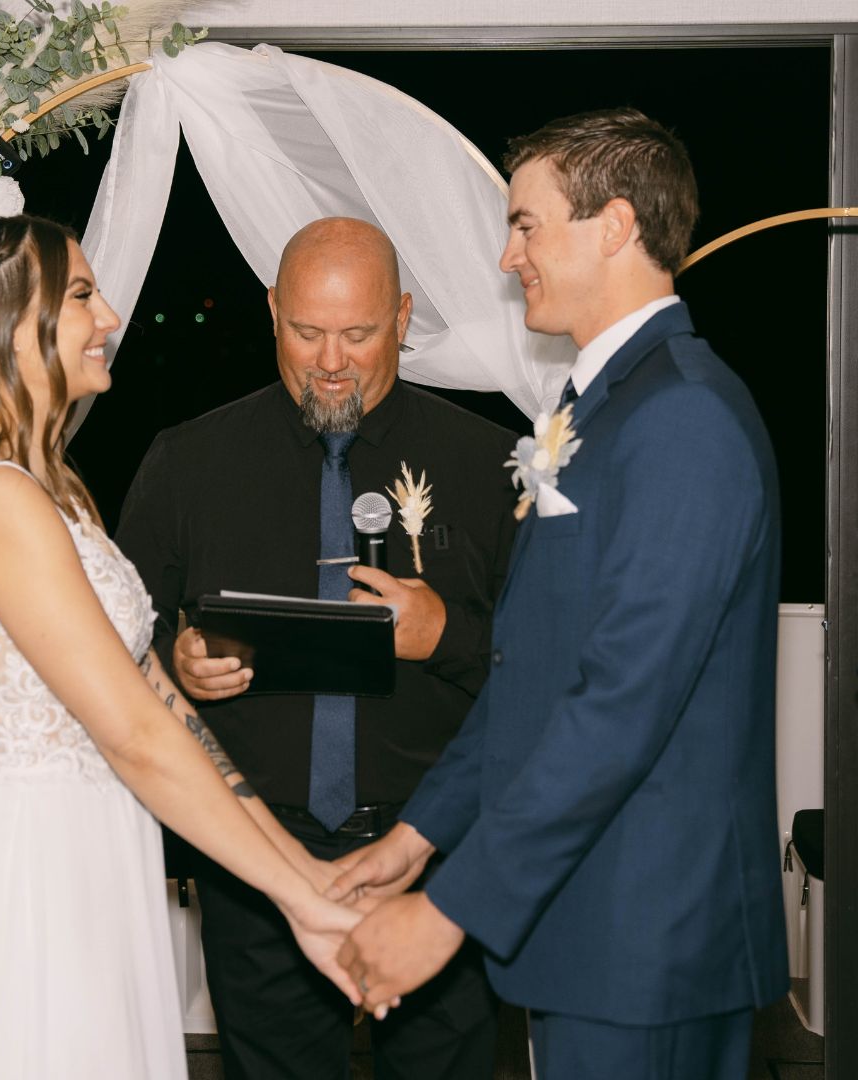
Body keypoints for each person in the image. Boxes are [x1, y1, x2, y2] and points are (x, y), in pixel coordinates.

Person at [0, 214, 363, 1080]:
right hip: (31, 875)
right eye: (82, 296)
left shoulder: (47, 490)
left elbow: (163, 705)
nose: (111, 316)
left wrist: (308, 873)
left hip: (92, 849)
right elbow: (134, 734)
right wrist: (301, 904)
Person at [332, 108, 790, 1080]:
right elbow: (528, 667)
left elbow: (622, 701)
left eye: (526, 224)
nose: (507, 257)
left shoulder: (685, 419)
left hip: (647, 938)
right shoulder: (601, 409)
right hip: (585, 933)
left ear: (614, 226)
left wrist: (451, 912)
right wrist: (420, 836)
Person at [115, 216, 518, 1078]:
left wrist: (449, 635)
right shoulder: (187, 462)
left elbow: (548, 673)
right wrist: (179, 659)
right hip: (256, 867)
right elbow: (120, 644)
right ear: (271, 313)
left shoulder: (490, 466)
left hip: (437, 863)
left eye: (358, 333)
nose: (330, 358)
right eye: (306, 331)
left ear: (404, 319)